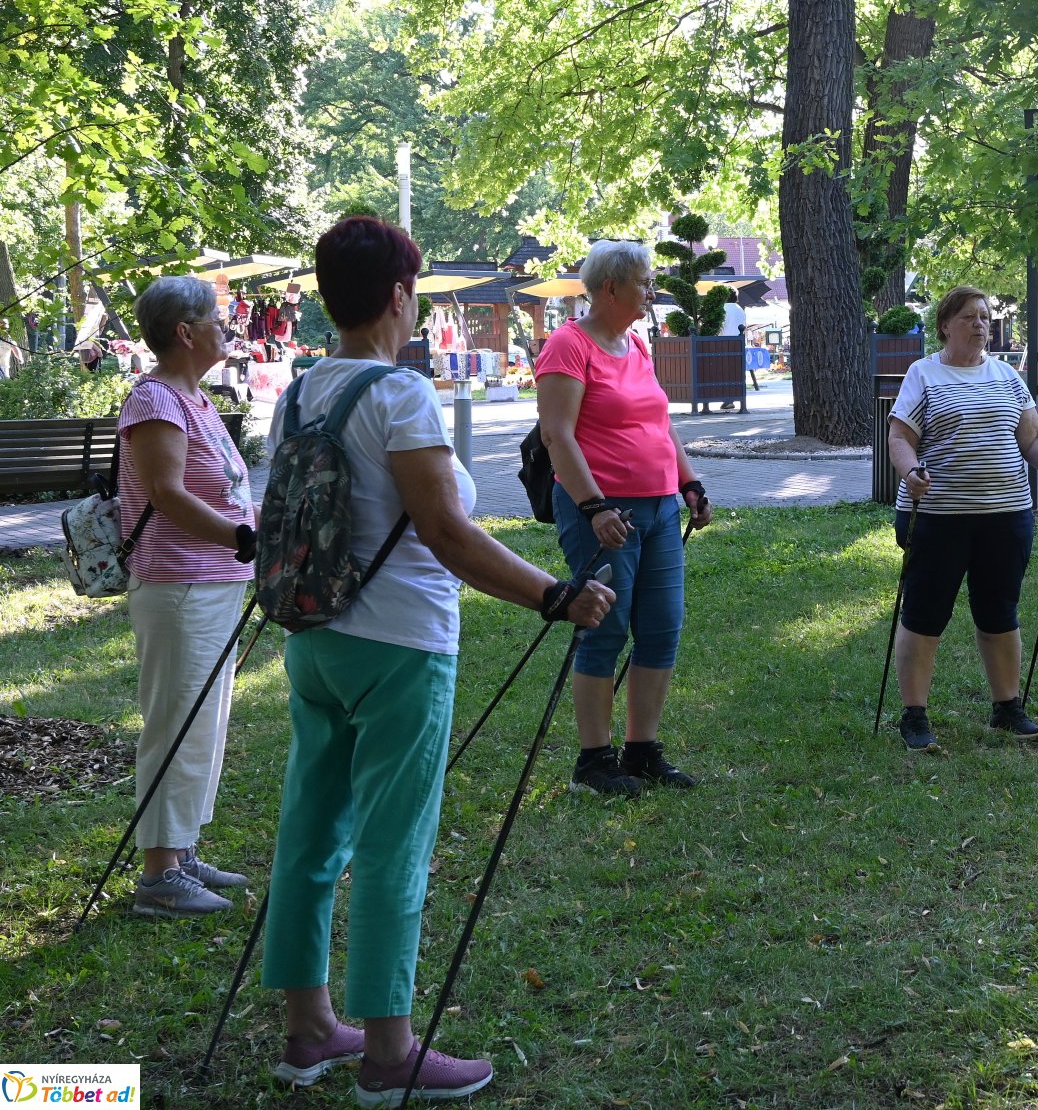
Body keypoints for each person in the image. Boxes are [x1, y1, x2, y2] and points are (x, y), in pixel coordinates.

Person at [259, 216, 613, 1105]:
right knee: (392, 844)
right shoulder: (400, 396)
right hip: (401, 648)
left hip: (314, 637)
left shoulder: (299, 393)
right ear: (398, 296)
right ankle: (388, 1050)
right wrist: (553, 592)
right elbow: (447, 533)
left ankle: (308, 1029)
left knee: (309, 833)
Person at [536, 238, 714, 797]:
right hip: (603, 511)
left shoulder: (635, 344)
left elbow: (659, 424)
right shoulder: (568, 345)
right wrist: (593, 506)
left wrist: (688, 481)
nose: (651, 291)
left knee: (662, 628)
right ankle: (594, 761)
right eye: (644, 282)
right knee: (605, 627)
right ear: (609, 287)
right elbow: (556, 434)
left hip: (660, 508)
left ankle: (641, 752)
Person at [884, 285, 1038, 751]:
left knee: (1000, 610)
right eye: (969, 317)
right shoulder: (924, 374)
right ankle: (914, 715)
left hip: (1006, 515)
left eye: (985, 316)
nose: (980, 324)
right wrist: (910, 470)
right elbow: (900, 437)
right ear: (945, 326)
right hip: (937, 516)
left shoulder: (1007, 376)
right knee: (925, 612)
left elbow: (1032, 436)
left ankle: (1007, 707)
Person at [115, 275, 257, 918]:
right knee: (175, 722)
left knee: (204, 722)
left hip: (212, 580)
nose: (227, 328)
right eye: (217, 319)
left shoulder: (193, 397)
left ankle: (182, 850)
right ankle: (157, 876)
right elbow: (167, 495)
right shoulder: (154, 400)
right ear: (185, 332)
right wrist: (245, 537)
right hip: (178, 583)